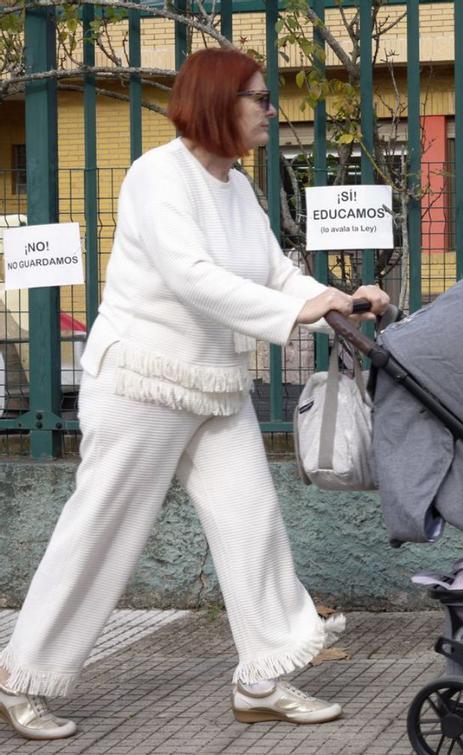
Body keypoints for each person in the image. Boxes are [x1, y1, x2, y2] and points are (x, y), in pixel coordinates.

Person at [0, 47, 389, 740]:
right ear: (217, 103)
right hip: (143, 381)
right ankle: (21, 677)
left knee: (251, 521)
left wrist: (338, 298)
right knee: (102, 532)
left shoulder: (237, 188)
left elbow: (275, 274)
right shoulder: (157, 176)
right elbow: (191, 276)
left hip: (214, 383)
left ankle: (263, 678)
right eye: (259, 98)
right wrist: (300, 309)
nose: (272, 110)